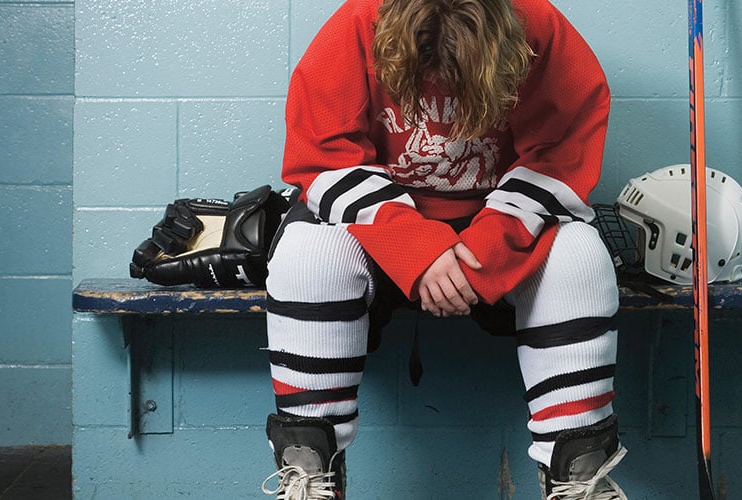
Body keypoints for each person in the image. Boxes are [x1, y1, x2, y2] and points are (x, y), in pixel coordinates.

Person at [261, 0, 623, 498]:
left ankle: (578, 476)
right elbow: (322, 156)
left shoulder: (538, 25)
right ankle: (308, 467)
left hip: (494, 222)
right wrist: (416, 248)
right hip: (382, 225)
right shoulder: (358, 21)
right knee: (306, 256)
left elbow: (562, 158)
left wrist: (484, 254)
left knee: (579, 257)